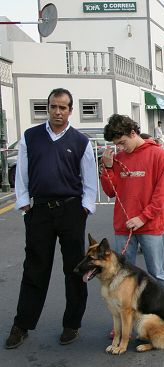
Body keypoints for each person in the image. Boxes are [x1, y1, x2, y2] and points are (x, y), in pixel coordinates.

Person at [6, 88, 98, 349]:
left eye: (63, 107)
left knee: (75, 269)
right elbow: (22, 172)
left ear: (71, 110)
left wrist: (85, 208)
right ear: (48, 108)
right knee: (35, 267)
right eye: (53, 107)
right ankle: (21, 325)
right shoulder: (30, 137)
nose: (57, 112)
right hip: (40, 212)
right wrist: (23, 202)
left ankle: (72, 324)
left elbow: (90, 180)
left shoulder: (81, 141)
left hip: (71, 211)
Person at [100, 114, 164, 293]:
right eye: (116, 144)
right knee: (122, 276)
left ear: (133, 133)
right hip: (123, 226)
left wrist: (143, 217)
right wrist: (108, 168)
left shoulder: (158, 155)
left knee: (155, 274)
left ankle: (163, 316)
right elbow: (110, 191)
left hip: (150, 225)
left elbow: (162, 194)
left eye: (122, 142)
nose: (119, 148)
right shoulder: (119, 159)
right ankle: (128, 315)